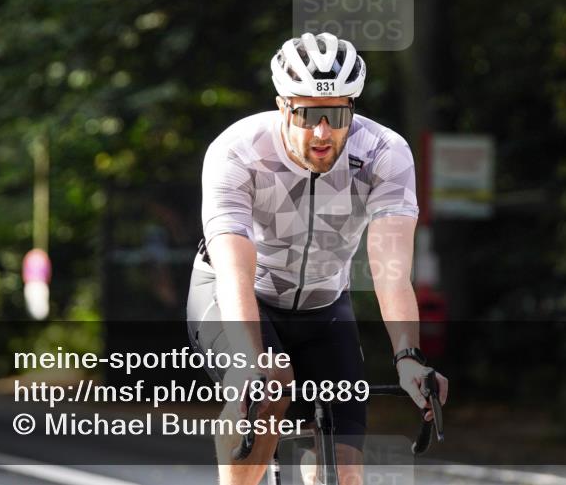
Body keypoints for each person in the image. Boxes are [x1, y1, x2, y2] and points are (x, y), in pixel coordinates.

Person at [187, 32, 449, 485]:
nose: (323, 132)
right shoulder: (237, 151)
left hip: (325, 306)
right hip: (237, 294)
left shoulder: (385, 153)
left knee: (345, 470)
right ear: (283, 105)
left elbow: (390, 273)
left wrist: (408, 357)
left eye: (336, 114)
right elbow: (234, 273)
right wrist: (254, 363)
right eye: (309, 114)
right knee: (269, 390)